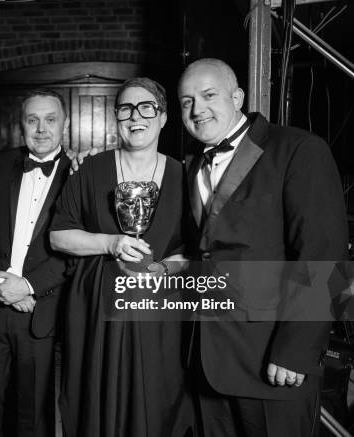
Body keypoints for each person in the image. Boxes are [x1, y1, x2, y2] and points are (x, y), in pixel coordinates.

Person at [178, 58, 348, 436]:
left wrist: (296, 349)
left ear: (237, 96)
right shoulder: (191, 164)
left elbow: (324, 256)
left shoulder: (299, 149)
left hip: (273, 360)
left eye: (208, 95)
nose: (197, 109)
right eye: (186, 101)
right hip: (209, 361)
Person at [50, 77, 194, 437]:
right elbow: (57, 236)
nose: (136, 117)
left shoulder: (184, 175)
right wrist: (109, 243)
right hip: (98, 308)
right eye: (126, 109)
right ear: (116, 118)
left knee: (158, 399)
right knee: (97, 403)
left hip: (159, 311)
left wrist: (163, 268)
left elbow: (192, 247)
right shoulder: (90, 170)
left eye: (147, 107)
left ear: (163, 117)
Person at [0, 88, 71, 437]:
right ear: (21, 125)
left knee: (33, 415)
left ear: (64, 124)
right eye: (32, 120)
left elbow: (74, 250)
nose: (41, 129)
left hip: (38, 312)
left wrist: (27, 286)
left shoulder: (81, 175)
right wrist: (4, 282)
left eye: (50, 119)